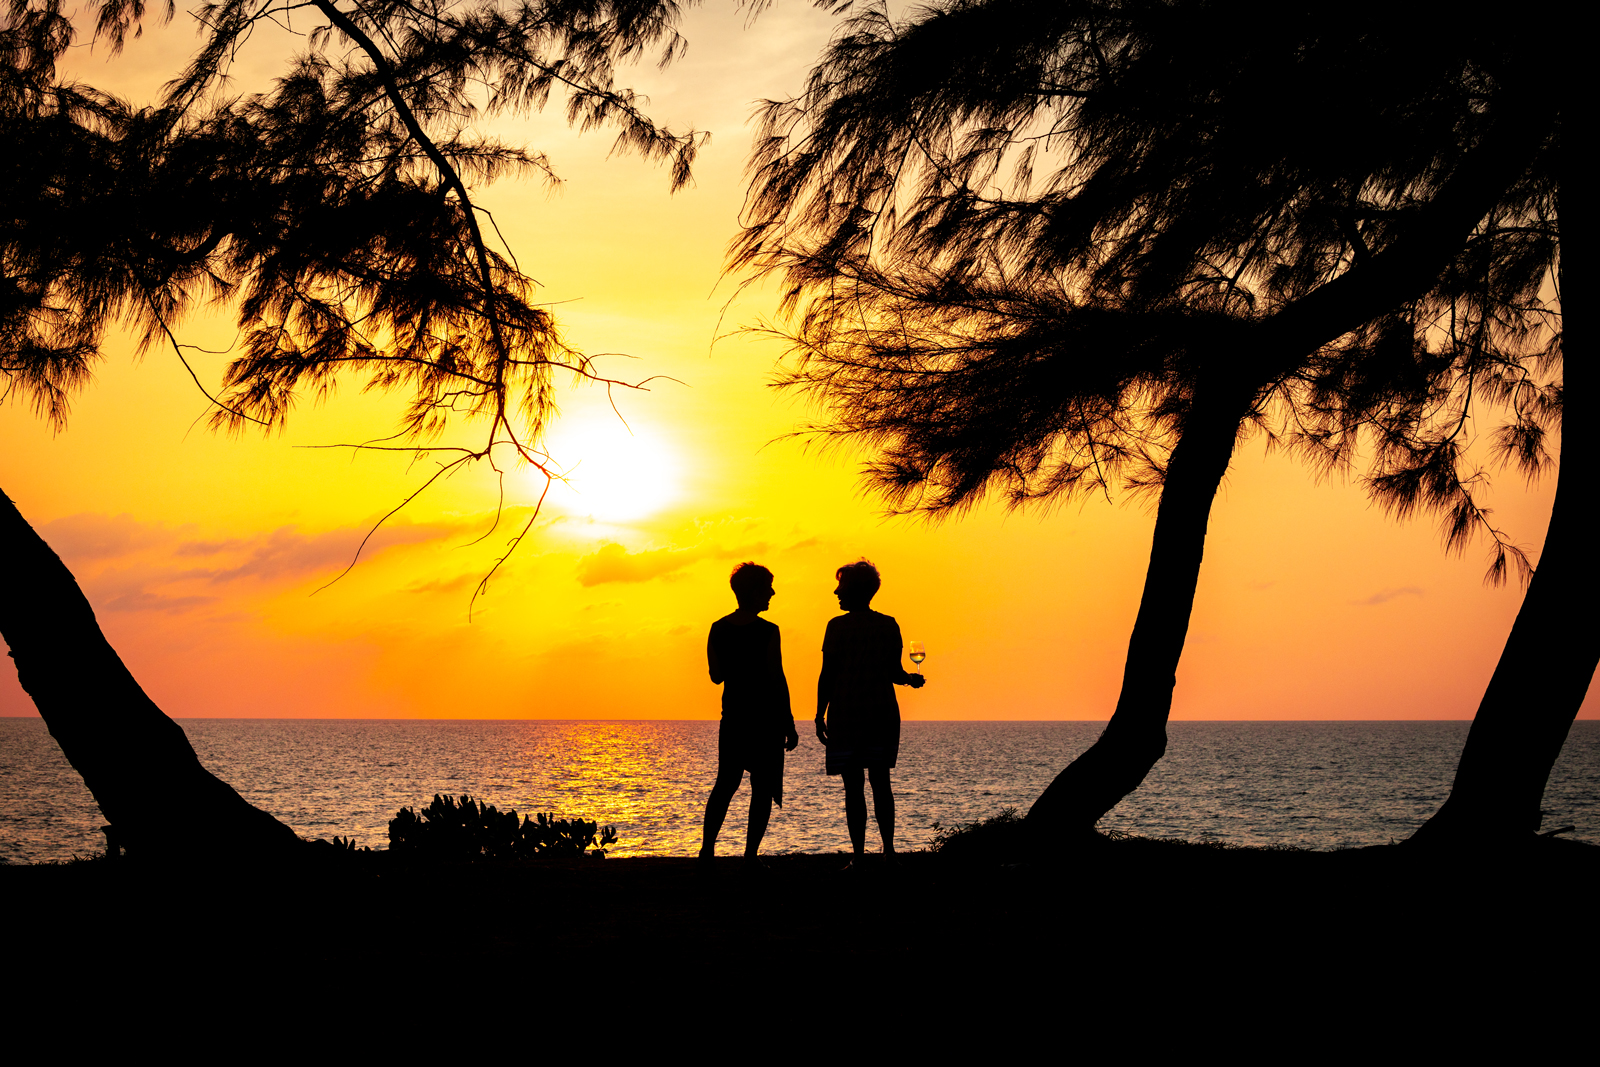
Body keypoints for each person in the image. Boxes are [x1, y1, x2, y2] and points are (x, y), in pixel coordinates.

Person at [814, 559, 925, 867]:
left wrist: (819, 713)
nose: (836, 592)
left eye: (841, 586)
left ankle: (860, 856)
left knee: (854, 787)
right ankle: (888, 851)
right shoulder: (888, 625)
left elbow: (828, 674)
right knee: (881, 782)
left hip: (847, 711)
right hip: (880, 711)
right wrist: (910, 680)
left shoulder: (836, 627)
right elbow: (894, 672)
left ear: (853, 590)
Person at [700, 562, 799, 867]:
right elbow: (776, 677)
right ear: (754, 592)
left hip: (733, 717)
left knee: (725, 785)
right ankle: (750, 856)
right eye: (767, 588)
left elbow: (716, 675)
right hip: (765, 720)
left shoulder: (718, 628)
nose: (771, 593)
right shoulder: (768, 631)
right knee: (762, 788)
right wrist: (789, 723)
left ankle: (707, 851)